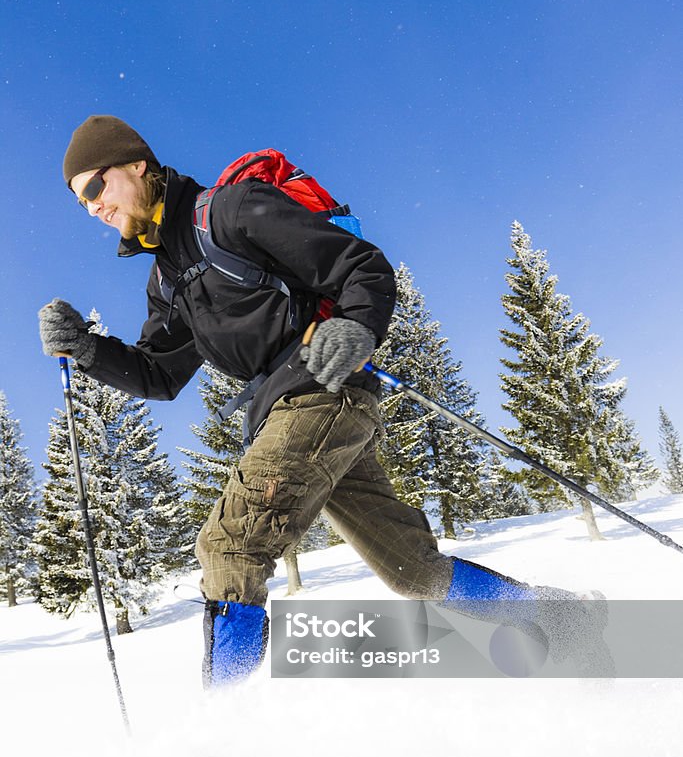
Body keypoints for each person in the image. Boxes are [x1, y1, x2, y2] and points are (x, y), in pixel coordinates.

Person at [39, 116, 607, 685]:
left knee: (229, 552)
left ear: (137, 165)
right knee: (412, 570)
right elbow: (157, 375)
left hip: (319, 392)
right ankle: (564, 618)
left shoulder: (230, 212)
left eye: (95, 187)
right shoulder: (167, 279)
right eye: (80, 202)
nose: (92, 208)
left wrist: (356, 325)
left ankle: (215, 745)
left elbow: (360, 265)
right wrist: (86, 349)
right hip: (289, 415)